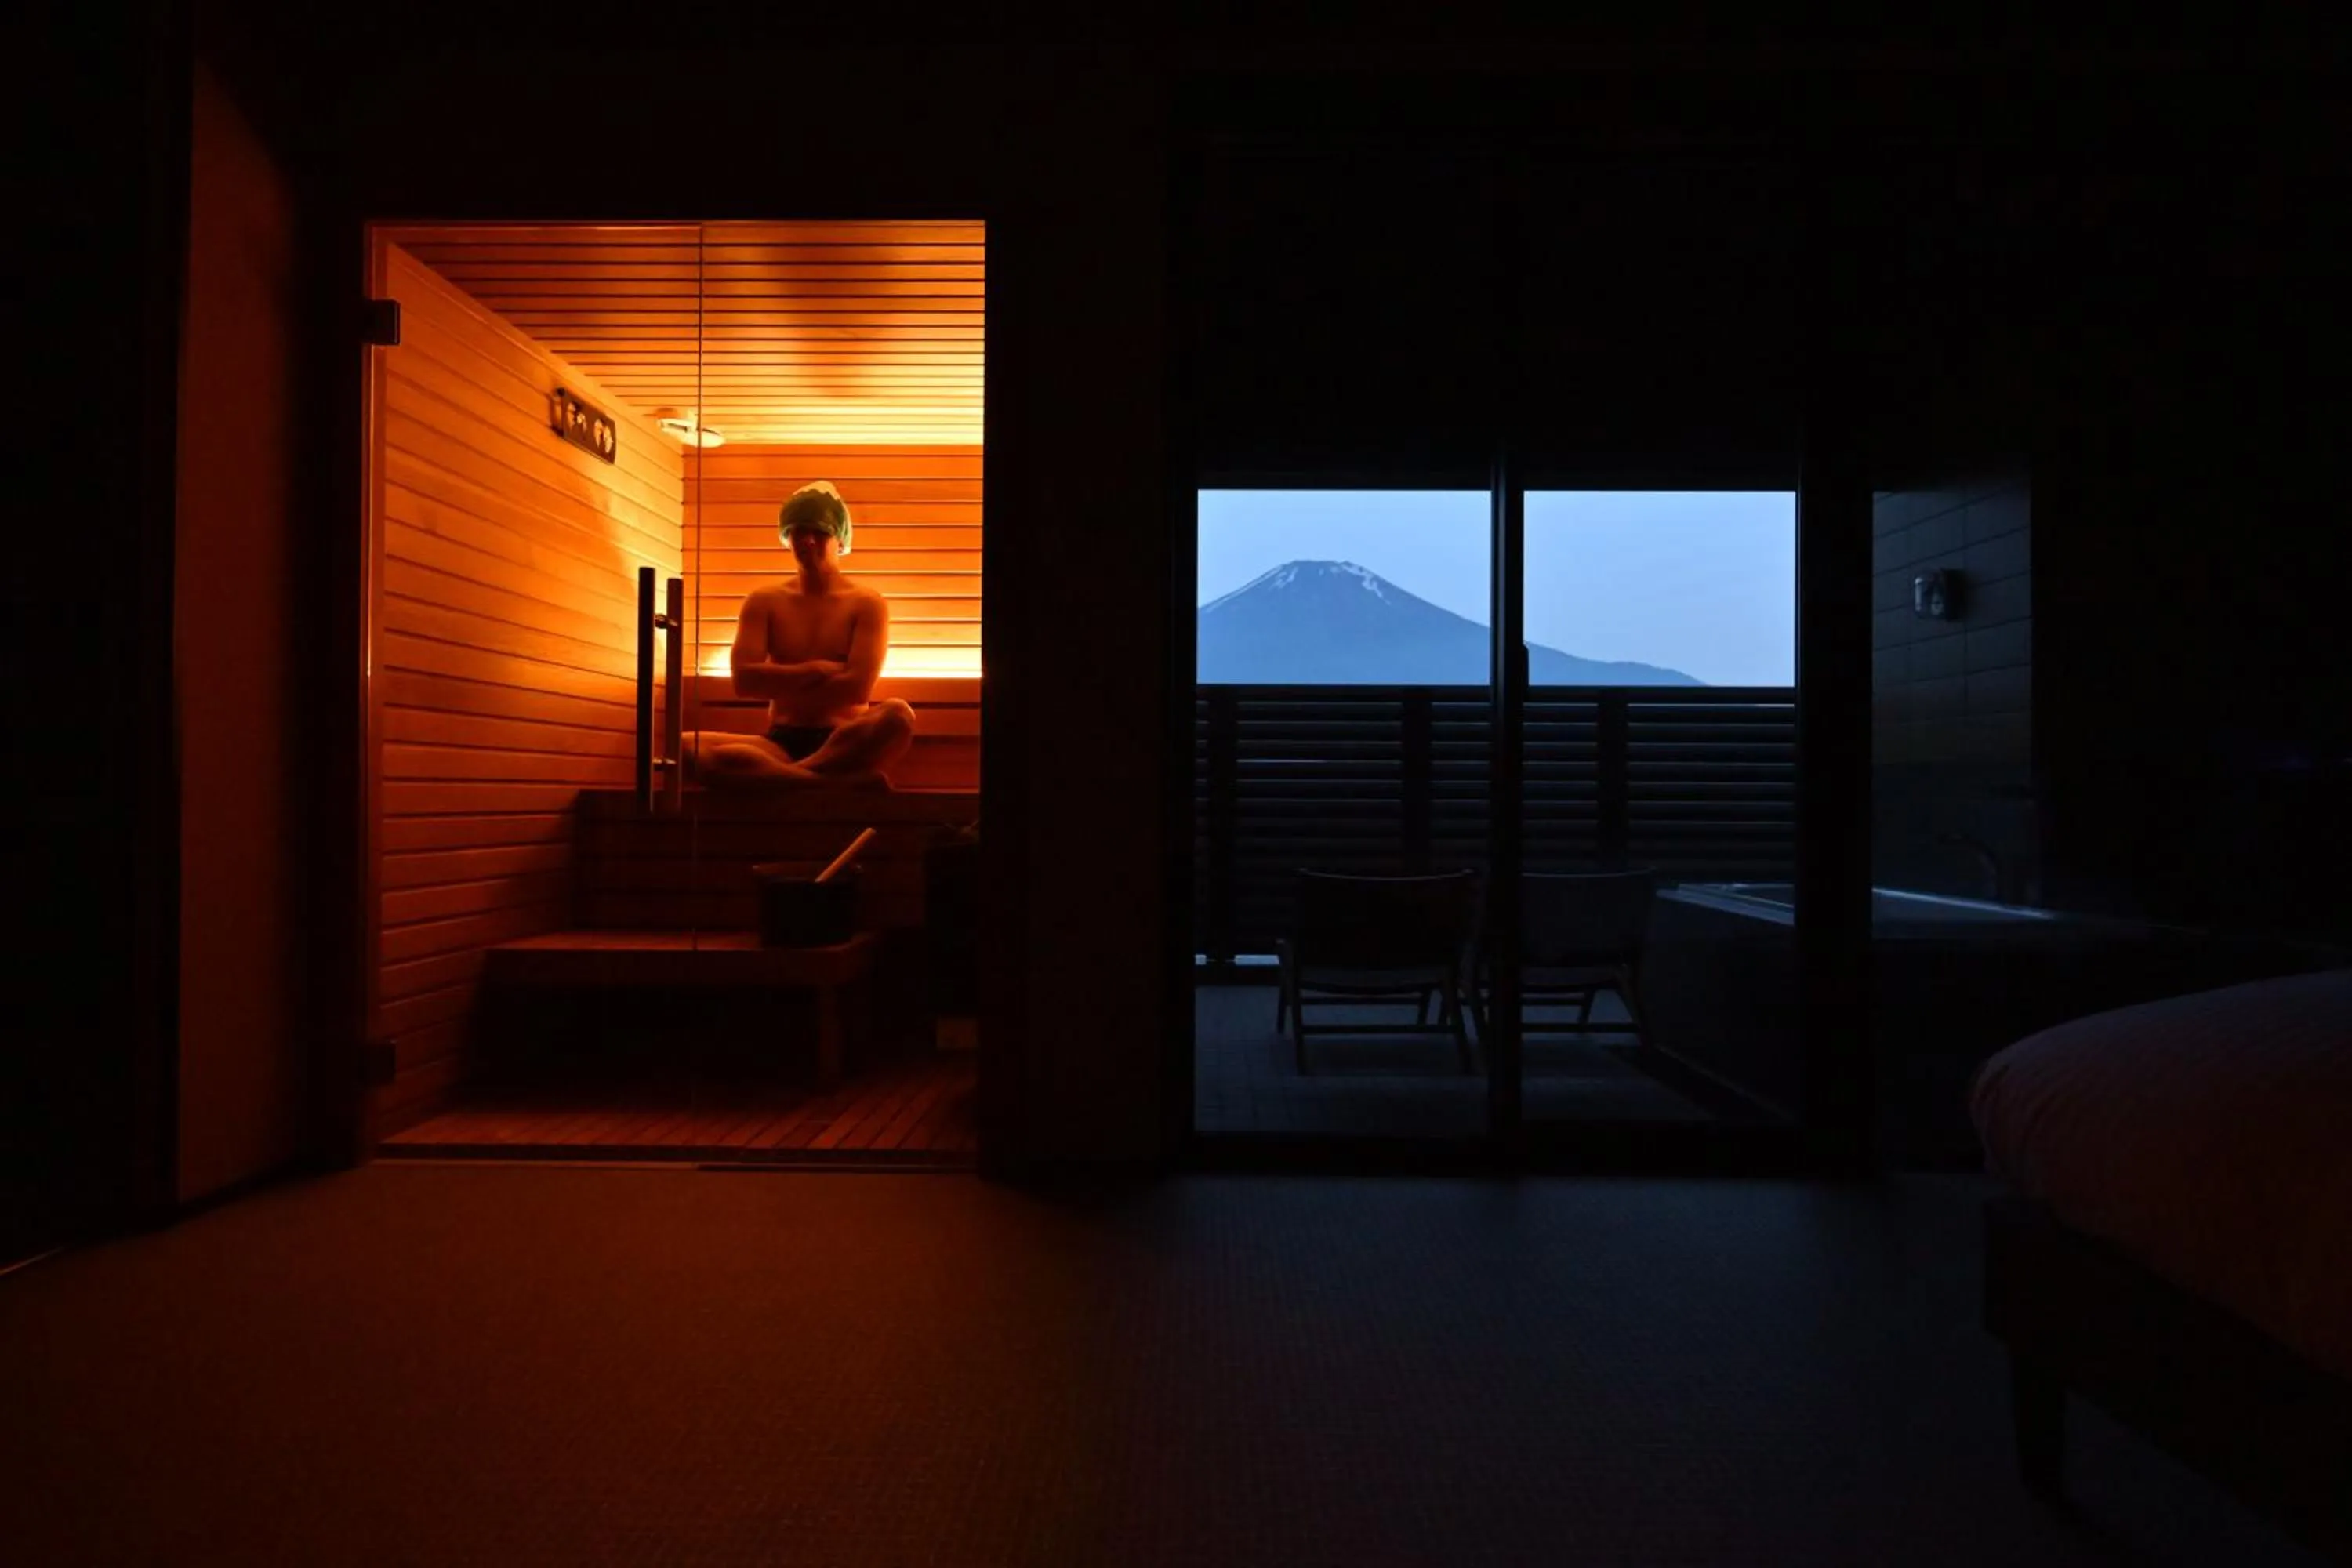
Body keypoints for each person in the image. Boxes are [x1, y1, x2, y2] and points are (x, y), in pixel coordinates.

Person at [683, 481, 916, 789]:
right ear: (786, 539)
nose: (807, 541)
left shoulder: (867, 604)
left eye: (820, 532)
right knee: (685, 747)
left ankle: (785, 778)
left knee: (898, 715)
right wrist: (816, 671)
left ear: (840, 541)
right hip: (780, 743)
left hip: (846, 739)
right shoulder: (764, 602)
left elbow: (857, 689)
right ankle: (822, 783)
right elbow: (744, 682)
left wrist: (776, 679)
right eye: (797, 532)